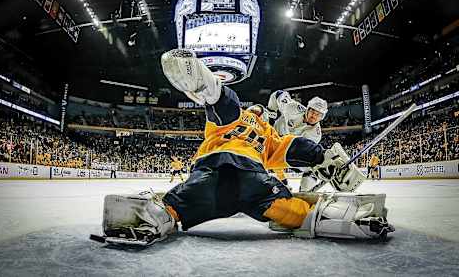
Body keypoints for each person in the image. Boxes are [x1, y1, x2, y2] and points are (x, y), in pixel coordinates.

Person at [98, 49, 394, 246]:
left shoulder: (260, 131)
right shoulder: (251, 127)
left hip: (219, 174)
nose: (257, 114)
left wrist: (325, 159)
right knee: (288, 211)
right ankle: (337, 217)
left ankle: (151, 218)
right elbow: (229, 109)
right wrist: (325, 161)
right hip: (242, 176)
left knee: (181, 202)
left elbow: (289, 144)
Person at [267, 91, 329, 192]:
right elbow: (278, 94)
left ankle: (305, 192)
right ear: (307, 109)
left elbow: (302, 153)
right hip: (272, 136)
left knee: (312, 168)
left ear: (322, 117)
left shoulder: (315, 134)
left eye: (318, 115)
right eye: (313, 112)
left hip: (288, 147)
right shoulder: (292, 108)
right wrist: (271, 117)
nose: (314, 116)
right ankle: (283, 184)